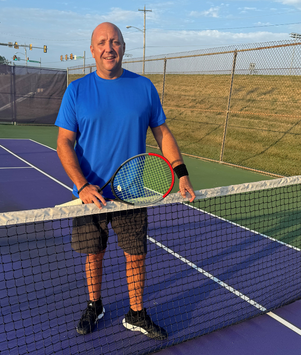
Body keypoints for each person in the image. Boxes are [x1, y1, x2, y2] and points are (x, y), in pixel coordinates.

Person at [55, 22, 195, 340]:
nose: (109, 47)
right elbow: (64, 143)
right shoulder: (76, 91)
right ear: (92, 50)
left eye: (115, 42)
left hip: (131, 194)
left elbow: (162, 133)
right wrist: (81, 185)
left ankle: (135, 313)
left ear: (123, 48)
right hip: (89, 196)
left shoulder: (144, 88)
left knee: (136, 255)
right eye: (102, 42)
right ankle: (95, 305)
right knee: (94, 254)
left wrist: (181, 172)